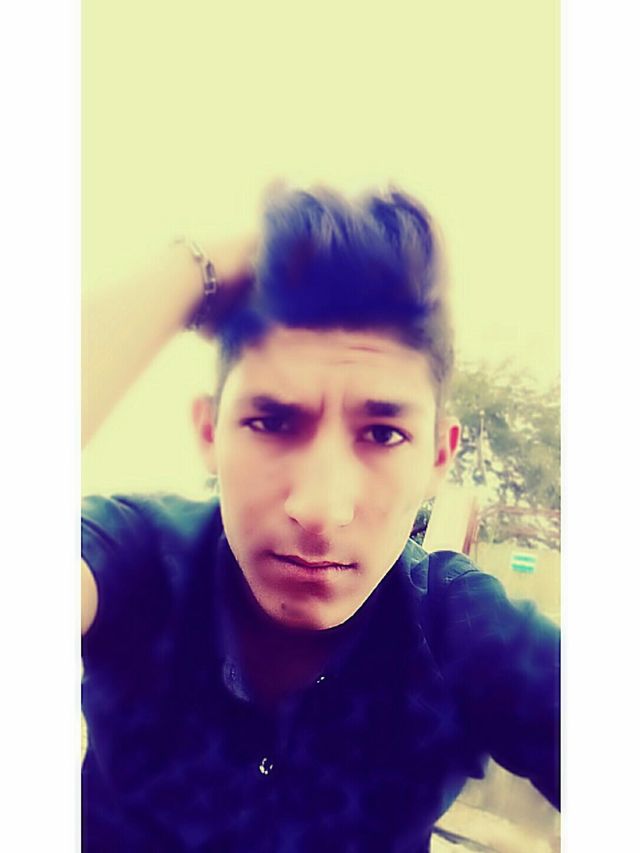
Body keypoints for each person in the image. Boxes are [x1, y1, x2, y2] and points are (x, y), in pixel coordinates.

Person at [81, 186, 560, 852]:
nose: (319, 509)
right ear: (209, 431)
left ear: (438, 457)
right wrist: (190, 270)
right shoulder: (131, 556)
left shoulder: (462, 631)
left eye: (383, 434)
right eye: (271, 422)